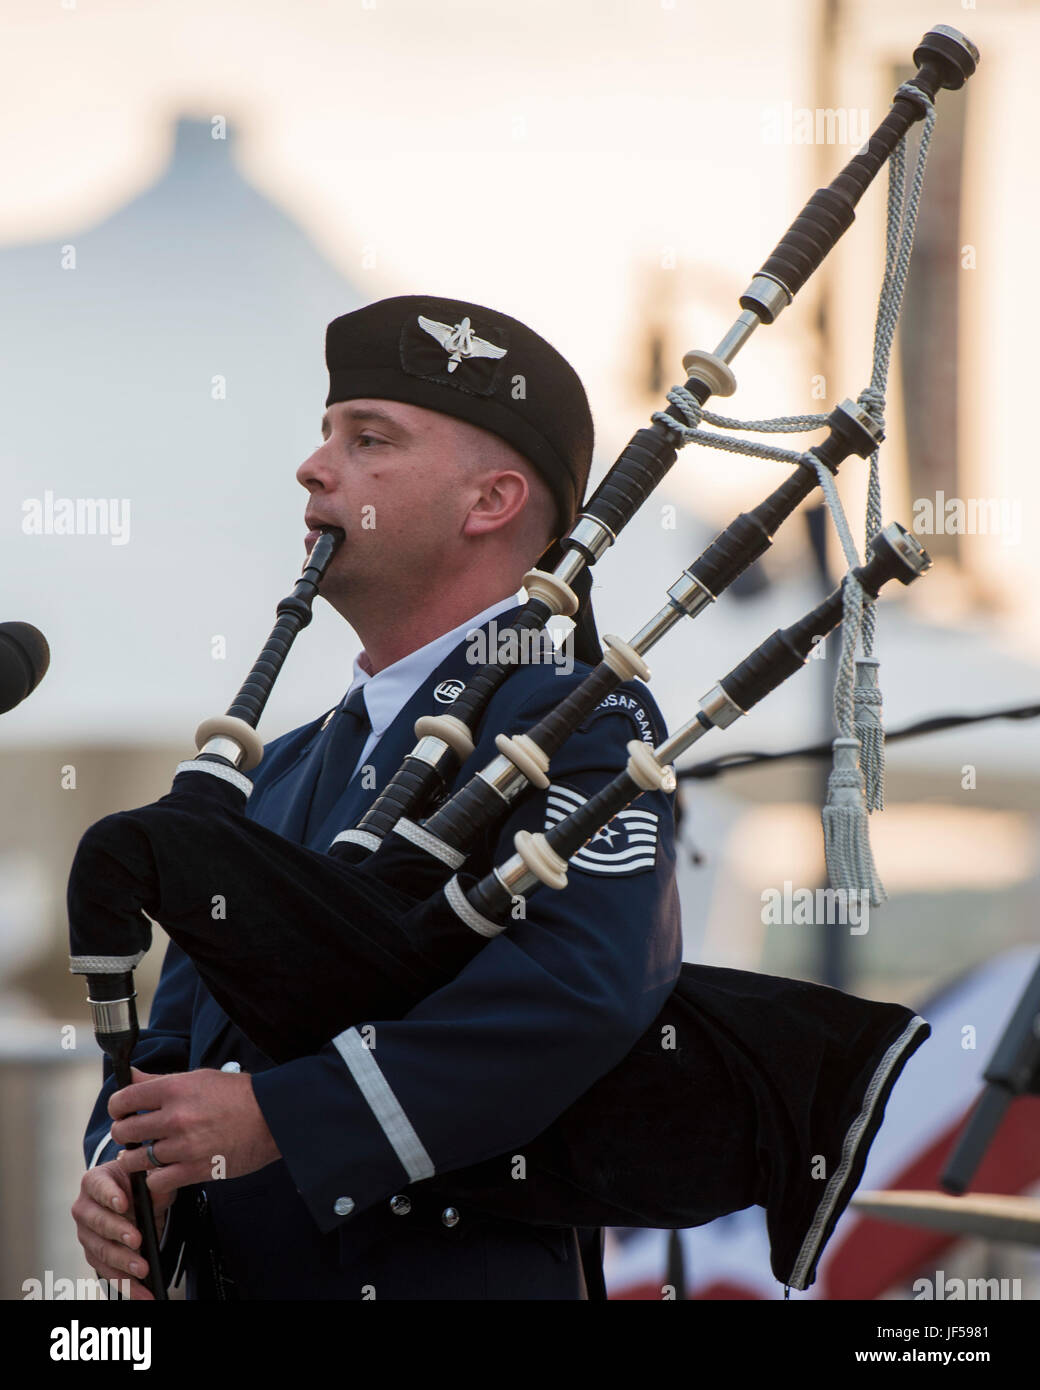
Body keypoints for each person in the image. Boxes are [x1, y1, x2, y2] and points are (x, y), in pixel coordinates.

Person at [73, 294, 683, 1300]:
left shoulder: (582, 725)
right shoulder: (276, 771)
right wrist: (123, 1165)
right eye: (325, 437)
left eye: (368, 441)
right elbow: (173, 1039)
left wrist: (286, 1119)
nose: (314, 469)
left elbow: (580, 987)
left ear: (486, 502)